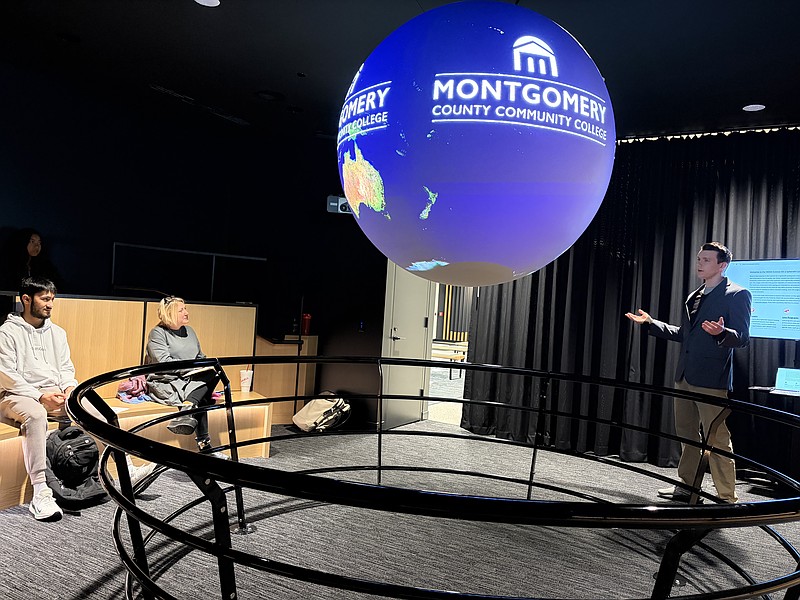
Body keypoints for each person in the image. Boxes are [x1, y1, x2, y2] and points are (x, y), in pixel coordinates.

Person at [0, 277, 155, 521]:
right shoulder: (7, 332)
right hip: (17, 394)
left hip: (54, 392)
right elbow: (7, 375)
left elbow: (65, 369)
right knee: (36, 414)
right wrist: (41, 396)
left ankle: (126, 470)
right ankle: (41, 492)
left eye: (52, 299)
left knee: (96, 408)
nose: (50, 304)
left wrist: (70, 390)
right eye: (44, 299)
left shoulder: (58, 333)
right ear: (26, 299)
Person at [625, 242, 751, 503]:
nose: (700, 263)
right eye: (699, 258)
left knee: (717, 438)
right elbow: (685, 334)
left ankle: (727, 496)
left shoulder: (737, 294)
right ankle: (687, 487)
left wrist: (722, 333)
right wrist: (651, 323)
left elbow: (742, 338)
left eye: (706, 259)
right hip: (684, 376)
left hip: (711, 379)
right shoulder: (695, 295)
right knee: (686, 433)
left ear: (722, 265)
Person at [145, 296, 227, 459]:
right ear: (170, 313)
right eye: (181, 310)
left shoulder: (190, 332)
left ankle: (188, 407)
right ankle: (205, 446)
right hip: (167, 380)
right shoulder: (158, 333)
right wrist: (191, 369)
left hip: (190, 379)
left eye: (185, 308)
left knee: (214, 372)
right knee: (202, 397)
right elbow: (164, 362)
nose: (186, 312)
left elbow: (199, 356)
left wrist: (203, 365)